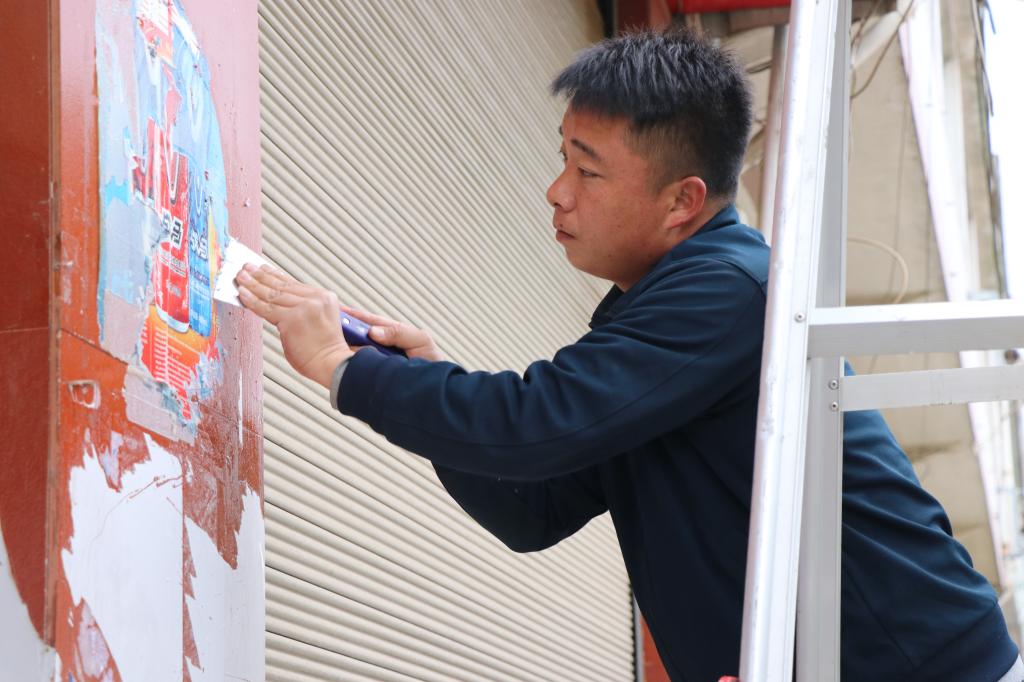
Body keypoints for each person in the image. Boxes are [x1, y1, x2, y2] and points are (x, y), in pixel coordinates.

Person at [235, 27, 1021, 682]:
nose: (557, 190)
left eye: (588, 170)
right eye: (563, 158)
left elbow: (535, 424)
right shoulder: (655, 307)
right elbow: (530, 506)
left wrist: (347, 370)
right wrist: (413, 374)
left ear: (682, 200)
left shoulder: (729, 289)